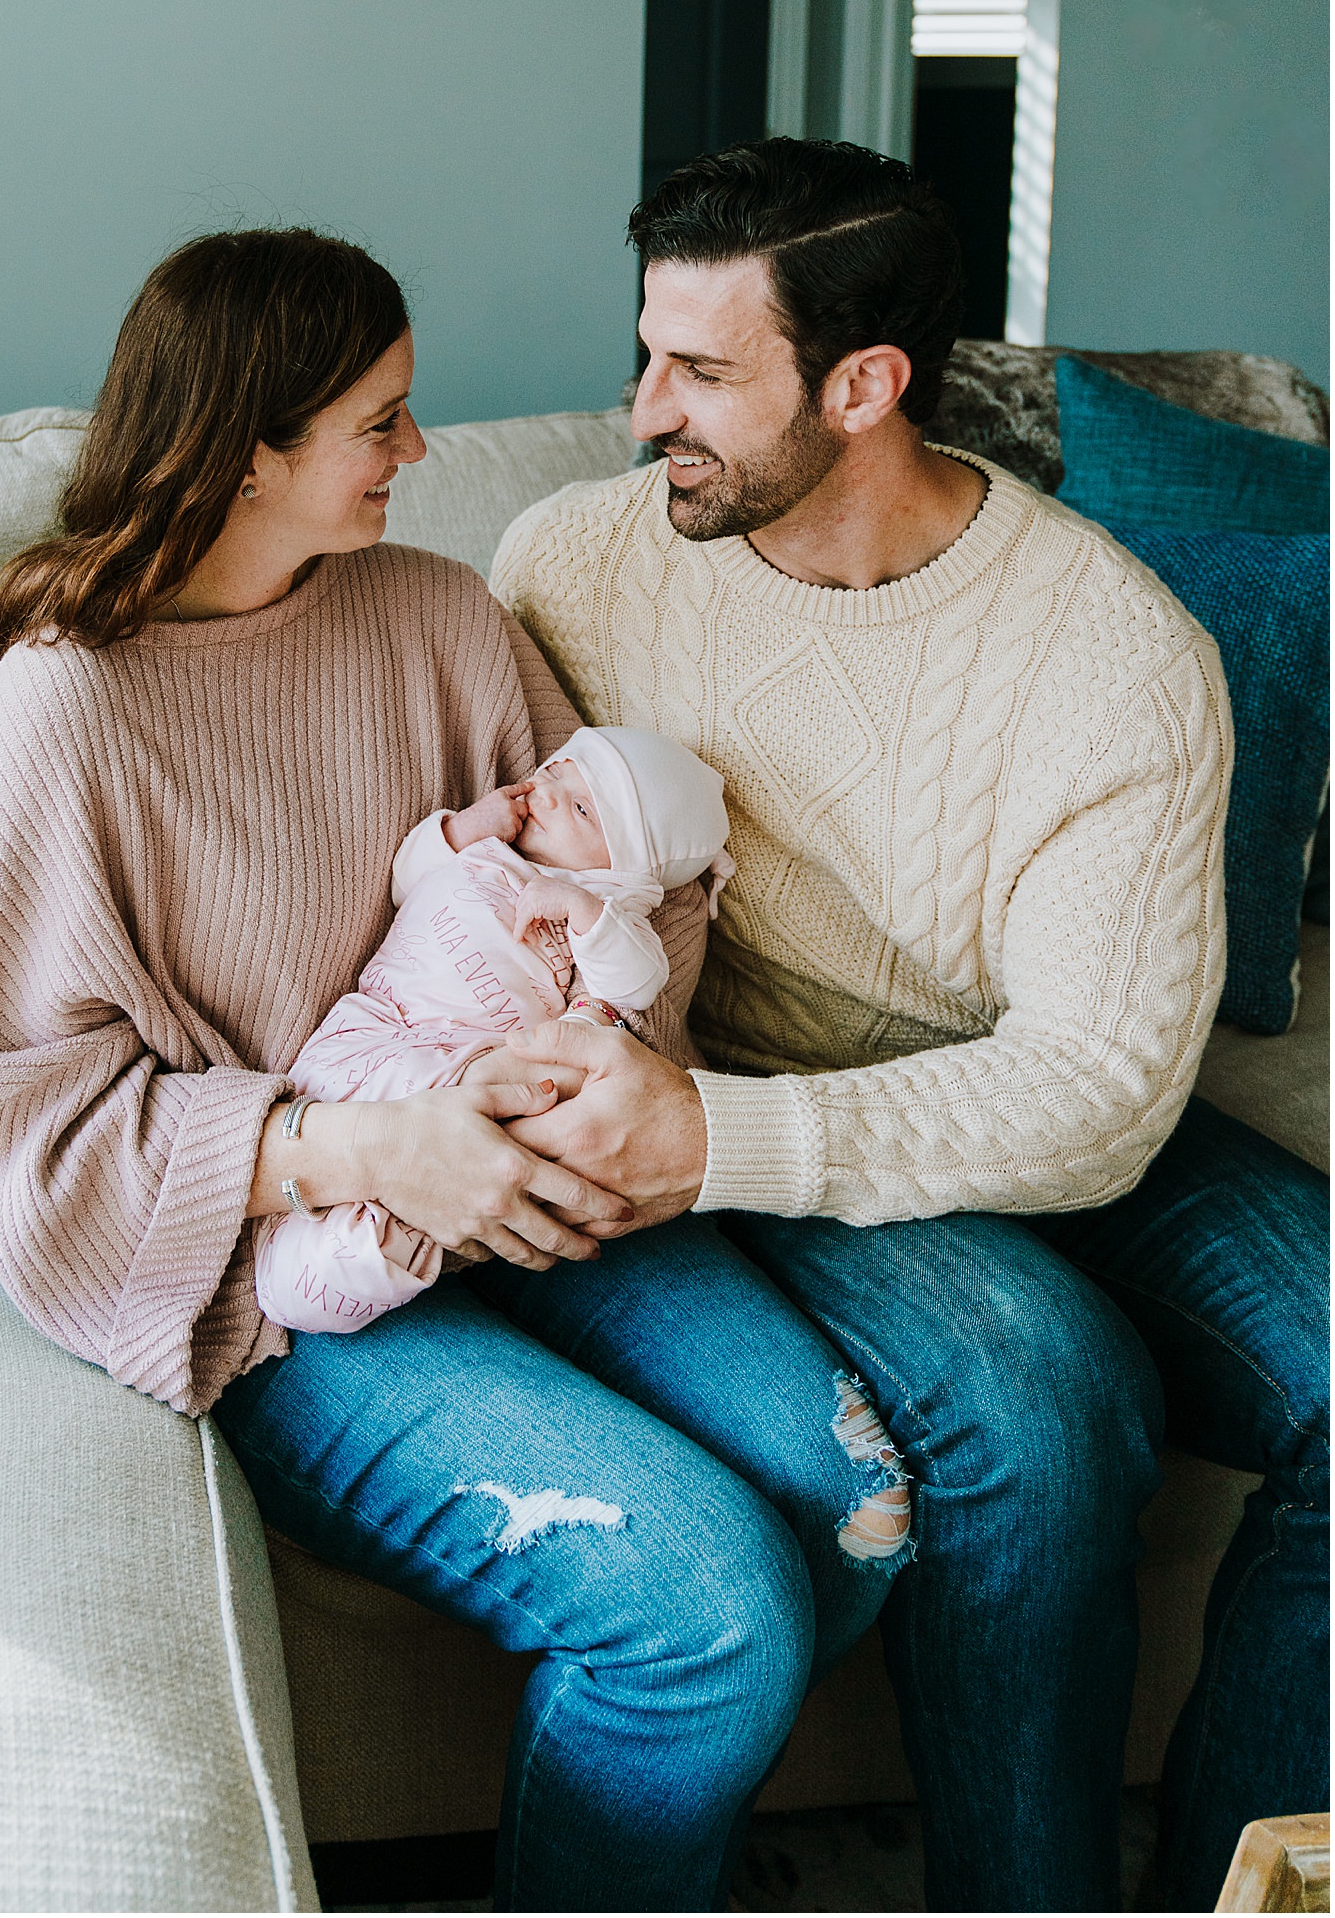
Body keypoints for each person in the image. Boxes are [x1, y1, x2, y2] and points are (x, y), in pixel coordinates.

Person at [0, 225, 917, 1915]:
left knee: (858, 1504)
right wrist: (369, 1150)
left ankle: (622, 1823)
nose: (418, 450)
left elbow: (628, 899)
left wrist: (576, 1073)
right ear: (252, 443)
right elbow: (35, 1122)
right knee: (709, 1606)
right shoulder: (65, 713)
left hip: (542, 1185)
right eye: (379, 419)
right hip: (291, 1275)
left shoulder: (437, 616)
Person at [491, 136, 1330, 1915]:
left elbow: (1098, 1087)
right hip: (738, 1079)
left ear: (865, 385)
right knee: (1039, 1394)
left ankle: (1240, 1889)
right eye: (645, 352)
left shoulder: (1112, 653)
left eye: (703, 373)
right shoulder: (568, 564)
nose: (644, 414)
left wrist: (715, 1137)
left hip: (1012, 1096)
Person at [255, 726, 741, 1335]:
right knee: (322, 1091)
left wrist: (585, 912)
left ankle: (376, 1246)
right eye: (558, 771)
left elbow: (636, 984)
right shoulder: (485, 850)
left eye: (583, 808)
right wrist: (460, 831)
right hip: (378, 1020)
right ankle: (329, 1206)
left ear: (629, 868)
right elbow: (407, 879)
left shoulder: (611, 911)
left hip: (465, 1061)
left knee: (468, 1118)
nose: (550, 793)